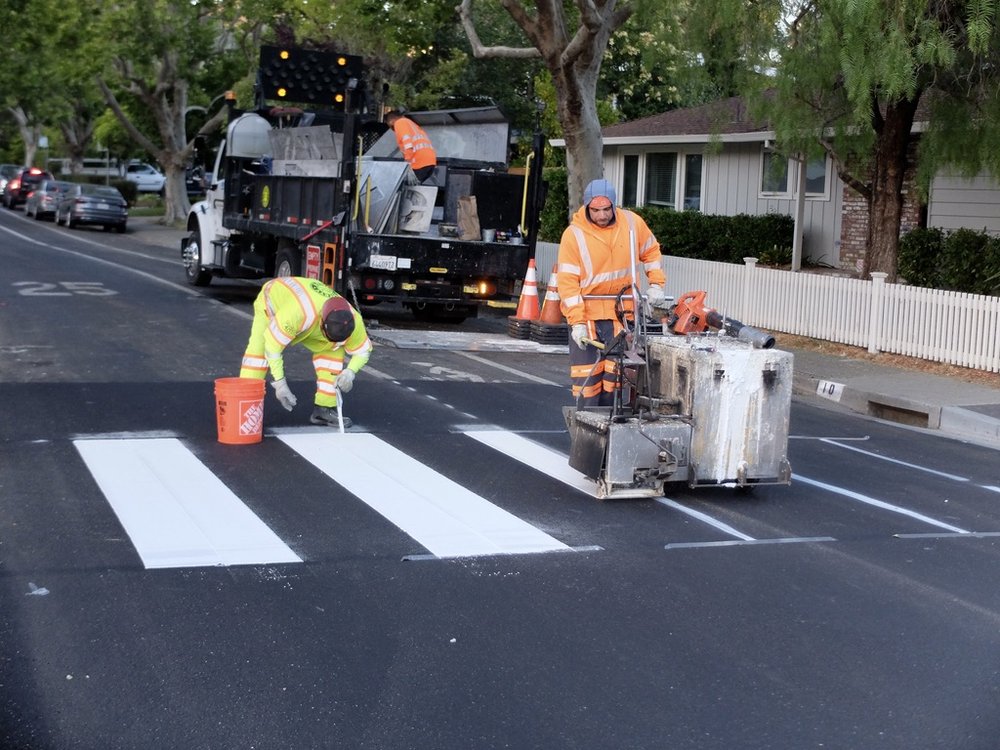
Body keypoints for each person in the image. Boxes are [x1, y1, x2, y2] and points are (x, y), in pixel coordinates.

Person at [556, 178, 666, 408]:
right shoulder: (574, 235)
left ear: (614, 206)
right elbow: (568, 283)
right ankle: (586, 429)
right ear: (586, 207)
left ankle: (612, 429)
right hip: (588, 319)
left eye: (607, 209)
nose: (602, 215)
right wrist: (576, 322)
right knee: (587, 382)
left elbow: (651, 251)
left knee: (617, 381)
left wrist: (656, 284)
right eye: (596, 210)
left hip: (621, 317)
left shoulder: (632, 224)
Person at [239, 277, 372, 427]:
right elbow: (273, 346)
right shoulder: (298, 312)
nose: (330, 340)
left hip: (309, 321)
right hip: (273, 302)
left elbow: (363, 351)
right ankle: (244, 408)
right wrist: (280, 384)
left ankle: (323, 410)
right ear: (322, 322)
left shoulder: (354, 322)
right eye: (328, 335)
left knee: (334, 351)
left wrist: (350, 372)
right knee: (259, 353)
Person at [384, 110, 437, 183]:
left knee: (399, 185)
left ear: (390, 121)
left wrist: (407, 165)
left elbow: (408, 144)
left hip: (418, 163)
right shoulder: (411, 123)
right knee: (413, 188)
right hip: (429, 162)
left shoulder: (399, 123)